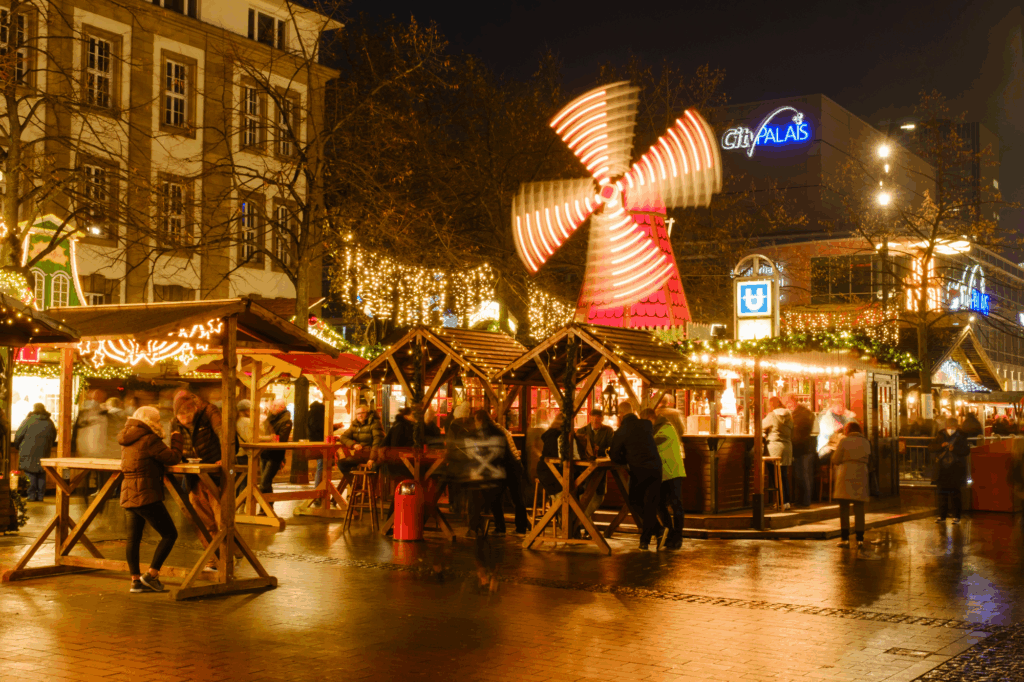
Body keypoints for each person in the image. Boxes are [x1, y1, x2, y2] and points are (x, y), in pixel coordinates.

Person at [119, 406, 183, 593]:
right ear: (152, 421)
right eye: (158, 419)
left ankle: (135, 582)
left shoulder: (126, 437)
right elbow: (173, 458)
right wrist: (178, 437)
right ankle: (151, 575)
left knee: (133, 538)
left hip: (128, 491)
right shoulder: (149, 438)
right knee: (170, 534)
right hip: (146, 493)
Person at [170, 390, 223, 562]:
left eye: (187, 414)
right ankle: (213, 559)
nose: (185, 419)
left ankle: (227, 556)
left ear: (194, 408)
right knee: (203, 522)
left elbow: (224, 434)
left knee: (221, 520)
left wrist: (226, 457)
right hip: (194, 477)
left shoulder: (209, 413)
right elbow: (173, 447)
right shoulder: (175, 424)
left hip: (216, 475)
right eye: (181, 416)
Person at [609, 401, 663, 550]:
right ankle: (646, 540)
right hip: (656, 468)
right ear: (633, 411)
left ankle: (656, 532)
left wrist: (625, 459)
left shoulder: (621, 432)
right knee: (650, 504)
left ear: (620, 414)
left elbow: (614, 456)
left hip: (639, 470)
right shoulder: (646, 425)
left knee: (634, 502)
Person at [831, 421, 878, 559]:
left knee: (844, 509)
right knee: (859, 510)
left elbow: (835, 459)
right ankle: (860, 539)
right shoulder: (866, 442)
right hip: (861, 474)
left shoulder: (844, 442)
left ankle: (845, 539)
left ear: (847, 430)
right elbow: (870, 461)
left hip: (845, 474)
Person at [641, 408, 685, 550]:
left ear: (650, 418)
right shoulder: (658, 428)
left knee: (675, 504)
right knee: (660, 504)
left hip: (673, 472)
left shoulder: (666, 428)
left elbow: (653, 443)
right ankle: (669, 533)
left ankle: (677, 537)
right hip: (664, 473)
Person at [14, 403, 57, 502]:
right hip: (44, 452)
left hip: (28, 451)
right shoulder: (49, 422)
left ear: (34, 409)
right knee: (41, 473)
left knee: (30, 473)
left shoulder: (28, 420)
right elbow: (53, 436)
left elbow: (19, 435)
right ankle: (41, 496)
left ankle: (31, 496)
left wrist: (17, 446)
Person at [934, 417, 970, 524]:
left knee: (955, 493)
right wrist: (941, 445)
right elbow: (931, 447)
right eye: (949, 426)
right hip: (942, 468)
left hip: (955, 468)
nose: (950, 429)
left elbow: (966, 451)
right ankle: (942, 516)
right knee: (942, 493)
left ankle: (957, 516)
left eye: (952, 427)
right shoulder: (941, 435)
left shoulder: (961, 436)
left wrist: (955, 449)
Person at [762, 396, 794, 510]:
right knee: (783, 475)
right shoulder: (790, 416)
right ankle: (786, 502)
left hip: (774, 448)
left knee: (775, 476)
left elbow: (760, 426)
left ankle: (780, 502)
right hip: (787, 448)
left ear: (772, 405)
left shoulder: (772, 415)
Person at [337, 403, 384, 476]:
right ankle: (355, 483)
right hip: (361, 455)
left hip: (374, 455)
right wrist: (353, 445)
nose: (360, 415)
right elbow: (343, 437)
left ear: (367, 413)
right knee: (341, 463)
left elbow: (377, 442)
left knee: (374, 467)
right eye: (358, 414)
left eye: (362, 413)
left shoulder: (374, 423)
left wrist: (372, 459)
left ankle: (370, 486)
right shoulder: (355, 425)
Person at [260, 399, 292, 504]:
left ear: (281, 408)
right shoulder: (271, 417)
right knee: (266, 482)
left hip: (275, 455)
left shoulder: (286, 420)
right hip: (264, 453)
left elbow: (281, 439)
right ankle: (266, 507)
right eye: (272, 405)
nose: (271, 407)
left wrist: (267, 438)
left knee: (264, 483)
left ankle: (267, 506)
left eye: (274, 405)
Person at [785, 395, 815, 508]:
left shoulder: (800, 414)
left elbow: (797, 431)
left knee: (802, 474)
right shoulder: (804, 412)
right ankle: (802, 500)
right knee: (802, 474)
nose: (787, 405)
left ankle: (804, 501)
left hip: (802, 447)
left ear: (792, 401)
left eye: (787, 402)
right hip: (804, 447)